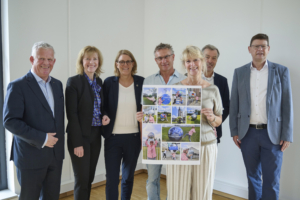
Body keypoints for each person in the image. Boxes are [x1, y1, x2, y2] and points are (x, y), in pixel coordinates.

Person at [229, 33, 293, 200]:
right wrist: (234, 131)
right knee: (253, 178)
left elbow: (287, 105)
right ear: (249, 49)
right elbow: (234, 103)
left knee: (271, 181)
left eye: (263, 46)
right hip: (247, 134)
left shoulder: (281, 71)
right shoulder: (239, 72)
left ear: (268, 49)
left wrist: (287, 135)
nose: (260, 49)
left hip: (273, 135)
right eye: (256, 46)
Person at [3, 42, 65, 199]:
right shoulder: (17, 86)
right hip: (30, 157)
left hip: (55, 156)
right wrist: (43, 138)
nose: (46, 63)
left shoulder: (57, 85)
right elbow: (10, 121)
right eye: (41, 58)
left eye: (49, 59)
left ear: (54, 61)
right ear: (32, 59)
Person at [166, 46, 223, 200]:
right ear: (184, 64)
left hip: (206, 146)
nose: (192, 64)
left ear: (202, 62)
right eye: (188, 61)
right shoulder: (174, 89)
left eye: (196, 60)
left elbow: (219, 120)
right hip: (180, 145)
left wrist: (212, 118)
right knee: (178, 192)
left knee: (202, 194)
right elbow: (165, 118)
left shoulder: (213, 90)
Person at [136, 43, 185, 200]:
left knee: (175, 180)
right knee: (152, 179)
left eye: (166, 57)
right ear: (155, 60)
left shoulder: (185, 80)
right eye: (159, 58)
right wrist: (143, 136)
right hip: (154, 136)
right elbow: (144, 111)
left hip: (176, 138)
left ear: (173, 57)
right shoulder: (148, 81)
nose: (164, 61)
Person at [65, 46, 110, 200]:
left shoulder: (98, 81)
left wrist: (105, 116)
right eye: (88, 59)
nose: (91, 62)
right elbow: (72, 114)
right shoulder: (74, 82)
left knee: (89, 177)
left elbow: (100, 107)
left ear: (99, 61)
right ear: (81, 62)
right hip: (79, 137)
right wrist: (77, 143)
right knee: (82, 180)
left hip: (95, 135)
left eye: (95, 59)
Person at [103, 49, 144, 200]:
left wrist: (145, 116)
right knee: (112, 179)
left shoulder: (141, 82)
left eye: (128, 61)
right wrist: (104, 116)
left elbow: (148, 107)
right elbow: (103, 107)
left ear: (133, 64)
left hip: (134, 138)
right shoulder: (109, 82)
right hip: (112, 138)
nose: (125, 64)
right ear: (117, 64)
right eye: (122, 61)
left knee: (127, 177)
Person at [202, 44, 230, 143]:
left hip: (214, 132)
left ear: (216, 61)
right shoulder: (188, 79)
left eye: (214, 58)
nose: (210, 61)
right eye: (207, 57)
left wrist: (215, 120)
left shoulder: (222, 81)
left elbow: (226, 106)